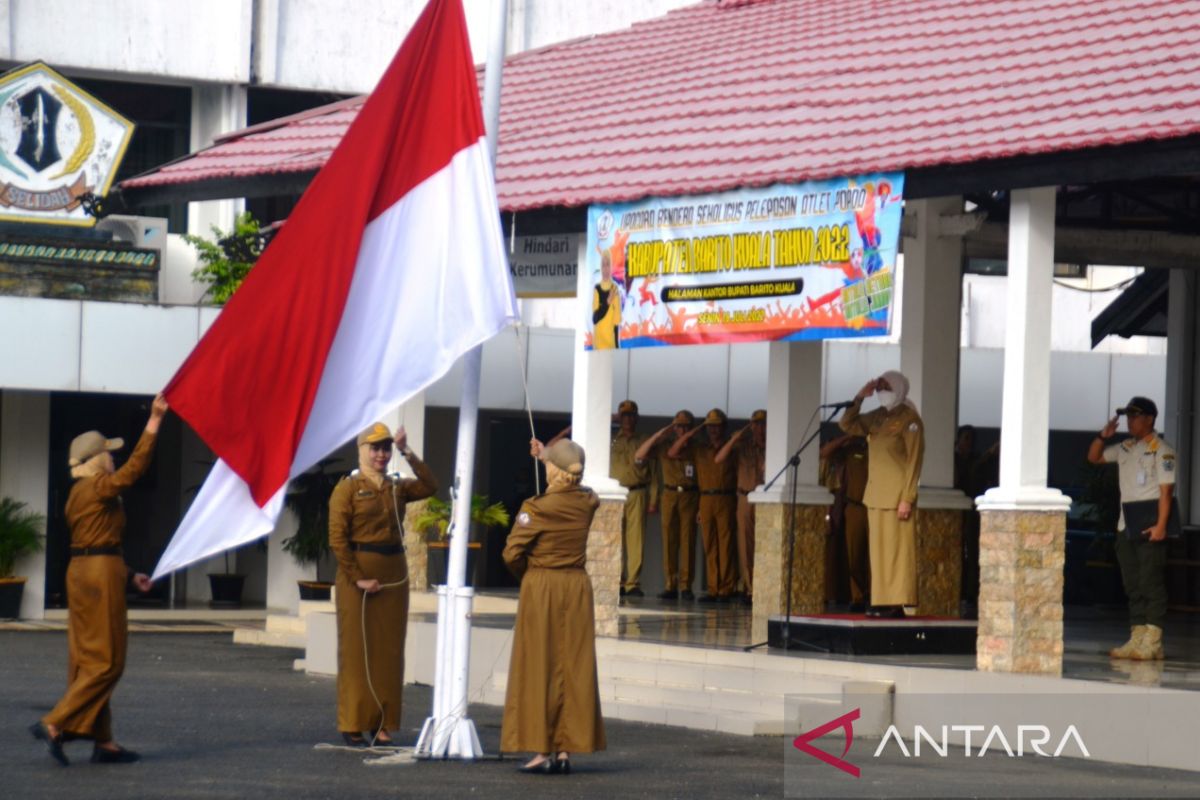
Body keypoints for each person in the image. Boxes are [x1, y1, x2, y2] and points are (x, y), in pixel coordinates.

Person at [31, 394, 168, 766]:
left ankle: (103, 741)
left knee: (88, 658)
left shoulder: (78, 493)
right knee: (108, 662)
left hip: (84, 571)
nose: (114, 457)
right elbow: (135, 468)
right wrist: (154, 421)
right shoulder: (100, 487)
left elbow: (94, 543)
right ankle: (55, 722)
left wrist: (129, 574)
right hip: (99, 573)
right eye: (108, 452)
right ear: (95, 461)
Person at [328, 422, 436, 747]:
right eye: (375, 448)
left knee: (389, 651)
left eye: (386, 448)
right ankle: (353, 722)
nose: (381, 454)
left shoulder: (396, 487)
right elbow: (337, 537)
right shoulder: (347, 488)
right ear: (361, 450)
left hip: (392, 572)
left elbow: (430, 485)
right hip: (358, 570)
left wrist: (407, 450)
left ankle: (383, 723)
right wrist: (356, 576)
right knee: (357, 650)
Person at [501, 437, 605, 775]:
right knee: (572, 667)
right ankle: (565, 750)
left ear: (554, 471)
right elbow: (579, 481)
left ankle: (540, 751)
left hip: (543, 585)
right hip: (576, 587)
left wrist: (530, 575)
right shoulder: (588, 501)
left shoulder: (537, 507)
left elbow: (511, 554)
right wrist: (549, 454)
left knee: (538, 667)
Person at [1087, 397, 1176, 661]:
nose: (1130, 421)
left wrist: (1161, 526)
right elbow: (1094, 457)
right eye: (1128, 416)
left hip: (1150, 526)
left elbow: (1166, 491)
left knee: (1151, 583)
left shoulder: (1162, 450)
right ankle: (1137, 635)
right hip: (1126, 526)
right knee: (1133, 584)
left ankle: (1153, 638)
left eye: (1135, 416)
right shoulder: (1126, 447)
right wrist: (1103, 436)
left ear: (1149, 419)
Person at [839, 371, 924, 618]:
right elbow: (847, 424)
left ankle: (896, 602)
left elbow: (914, 462)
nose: (881, 391)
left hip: (897, 496)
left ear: (898, 389)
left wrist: (907, 497)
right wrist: (859, 397)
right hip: (875, 495)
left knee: (897, 552)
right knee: (878, 553)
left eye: (886, 386)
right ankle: (881, 599)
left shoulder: (910, 420)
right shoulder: (877, 417)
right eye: (880, 386)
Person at [670, 409, 737, 603]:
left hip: (725, 497)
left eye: (717, 426)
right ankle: (713, 588)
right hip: (705, 498)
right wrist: (692, 432)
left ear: (723, 427)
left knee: (725, 544)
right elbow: (673, 452)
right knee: (709, 544)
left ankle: (726, 588)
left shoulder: (731, 448)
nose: (713, 430)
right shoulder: (699, 449)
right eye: (710, 426)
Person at [636, 410, 699, 600]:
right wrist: (658, 435)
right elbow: (639, 455)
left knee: (688, 541)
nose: (682, 430)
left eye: (686, 426)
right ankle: (670, 584)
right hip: (669, 494)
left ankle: (686, 586)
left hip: (690, 494)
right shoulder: (664, 446)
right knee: (669, 540)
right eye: (679, 426)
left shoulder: (696, 448)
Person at [715, 409, 766, 602]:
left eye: (762, 424)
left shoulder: (774, 447)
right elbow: (719, 458)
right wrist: (735, 439)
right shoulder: (743, 446)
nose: (759, 428)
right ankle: (750, 587)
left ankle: (763, 586)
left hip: (765, 498)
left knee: (764, 544)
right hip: (745, 497)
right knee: (745, 544)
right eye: (756, 424)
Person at [820, 433, 870, 612]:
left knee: (874, 557)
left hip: (876, 507)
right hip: (855, 507)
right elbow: (824, 453)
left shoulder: (879, 449)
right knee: (854, 555)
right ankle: (858, 597)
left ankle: (875, 596)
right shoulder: (851, 450)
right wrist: (848, 436)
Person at [610, 400, 653, 598]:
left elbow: (653, 471)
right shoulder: (611, 439)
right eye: (624, 415)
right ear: (619, 417)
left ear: (636, 417)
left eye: (630, 415)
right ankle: (617, 579)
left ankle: (632, 583)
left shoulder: (644, 439)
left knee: (636, 539)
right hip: (615, 493)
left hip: (637, 491)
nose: (627, 419)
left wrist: (654, 498)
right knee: (614, 538)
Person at [591, 250, 621, 349]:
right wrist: (607, 303)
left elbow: (616, 323)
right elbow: (595, 319)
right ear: (600, 267)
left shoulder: (614, 289)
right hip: (598, 346)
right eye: (603, 265)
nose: (605, 269)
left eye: (608, 265)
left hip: (611, 346)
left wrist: (617, 348)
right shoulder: (597, 289)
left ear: (611, 267)